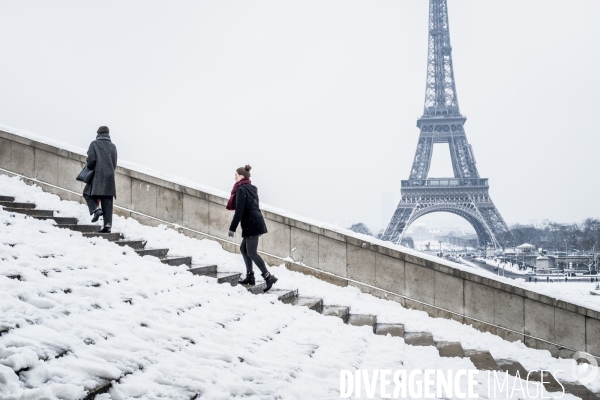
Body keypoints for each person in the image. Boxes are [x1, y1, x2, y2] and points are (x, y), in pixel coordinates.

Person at [227, 165, 277, 292]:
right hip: (255, 222)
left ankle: (268, 277)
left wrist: (232, 228)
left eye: (236, 175)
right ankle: (250, 276)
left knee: (251, 252)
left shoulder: (241, 190)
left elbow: (239, 211)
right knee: (244, 249)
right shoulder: (252, 188)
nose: (234, 177)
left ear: (241, 176)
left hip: (252, 224)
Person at [82, 126, 117, 233]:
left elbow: (91, 161)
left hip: (97, 176)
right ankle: (107, 225)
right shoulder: (113, 146)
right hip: (109, 177)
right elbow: (114, 163)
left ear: (98, 133)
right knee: (107, 201)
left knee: (87, 193)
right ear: (108, 133)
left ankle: (96, 209)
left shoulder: (94, 144)